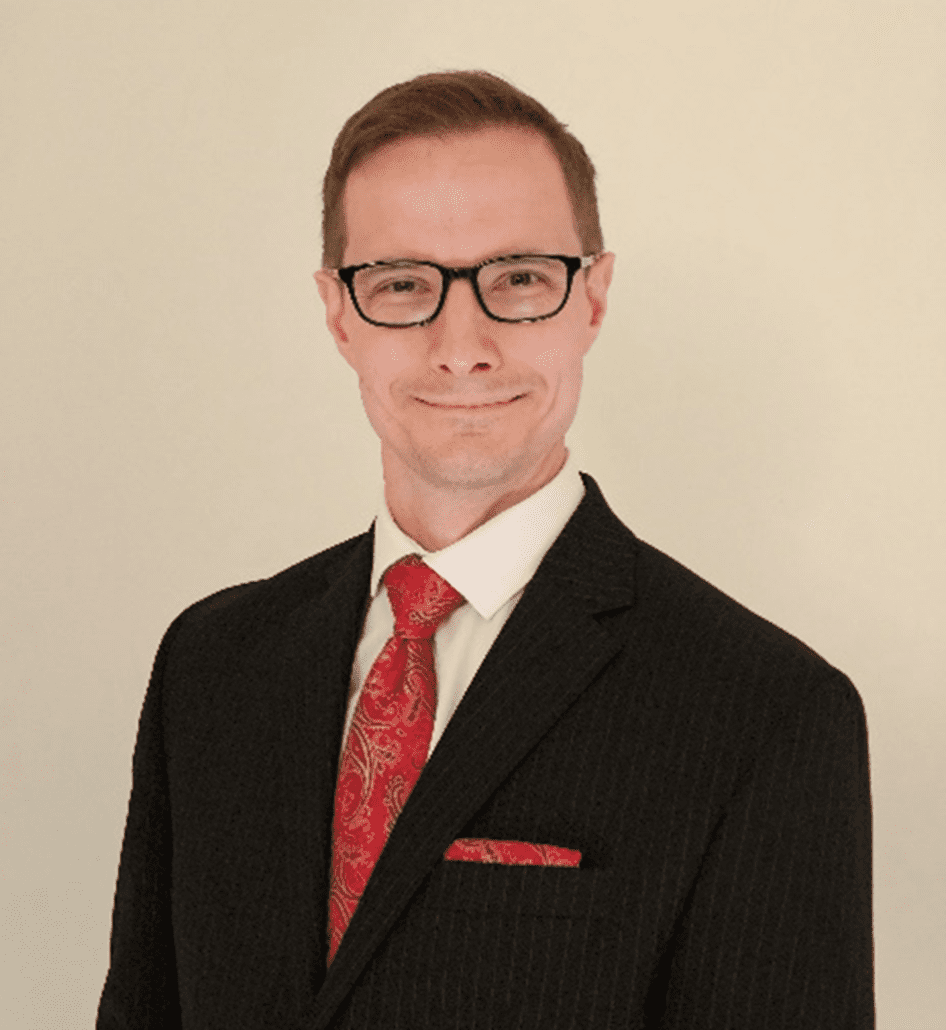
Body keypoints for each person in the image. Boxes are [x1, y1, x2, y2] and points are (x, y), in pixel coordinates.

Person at [97, 70, 874, 1029]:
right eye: (402, 284)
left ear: (593, 300)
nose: (461, 345)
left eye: (518, 280)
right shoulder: (212, 665)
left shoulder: (765, 713)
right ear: (338, 314)